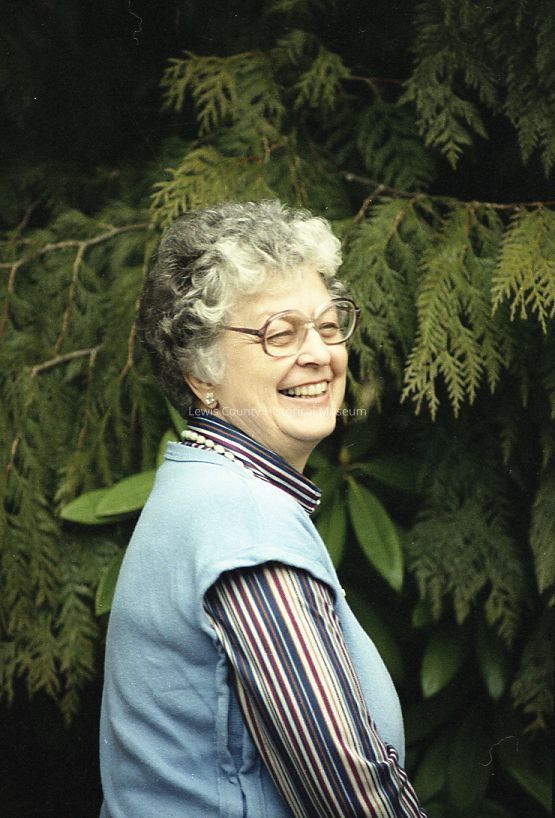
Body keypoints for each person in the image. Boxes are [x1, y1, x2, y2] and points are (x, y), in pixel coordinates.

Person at [99, 200, 426, 817]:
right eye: (281, 333)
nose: (320, 353)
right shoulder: (244, 529)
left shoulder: (198, 484)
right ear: (202, 373)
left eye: (328, 325)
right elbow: (348, 796)